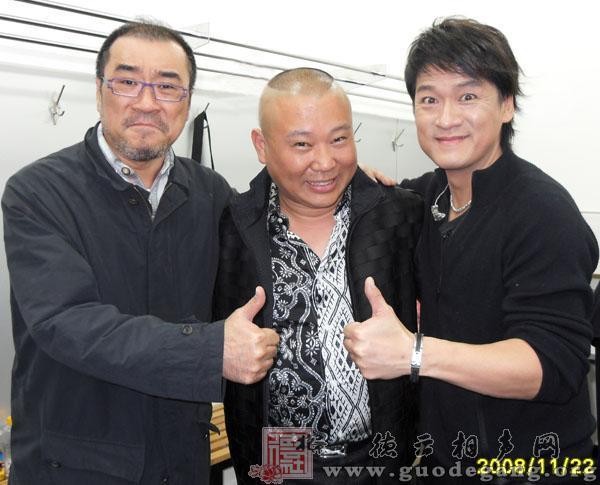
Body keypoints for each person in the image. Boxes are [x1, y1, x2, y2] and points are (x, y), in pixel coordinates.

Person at [1, 21, 279, 485]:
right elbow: (66, 322)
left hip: (182, 459)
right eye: (127, 82)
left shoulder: (209, 192)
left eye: (167, 87)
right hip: (75, 468)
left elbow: (271, 239)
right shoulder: (38, 192)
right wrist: (211, 351)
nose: (147, 102)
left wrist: (344, 186)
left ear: (187, 101)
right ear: (99, 91)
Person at [344, 17, 599, 484]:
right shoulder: (426, 198)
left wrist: (413, 353)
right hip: (446, 462)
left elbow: (551, 364)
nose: (446, 118)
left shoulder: (542, 211)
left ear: (507, 105)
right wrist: (349, 175)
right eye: (429, 100)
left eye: (467, 96)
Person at [212, 67, 423, 484]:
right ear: (262, 146)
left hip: (383, 448)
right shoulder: (233, 226)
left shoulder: (399, 215)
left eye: (339, 139)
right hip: (281, 450)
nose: (325, 162)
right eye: (302, 144)